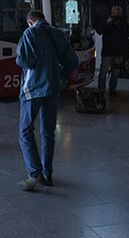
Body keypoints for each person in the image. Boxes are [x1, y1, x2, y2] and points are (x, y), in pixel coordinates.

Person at [16, 10, 79, 191]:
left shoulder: (30, 33)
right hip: (53, 87)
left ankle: (35, 173)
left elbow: (24, 61)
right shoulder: (58, 33)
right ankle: (48, 172)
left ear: (30, 21)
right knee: (48, 131)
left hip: (33, 88)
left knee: (25, 131)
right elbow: (72, 61)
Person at [97, 5, 129, 96]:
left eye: (117, 11)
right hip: (107, 51)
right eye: (114, 11)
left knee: (115, 72)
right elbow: (99, 31)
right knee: (103, 71)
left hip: (118, 51)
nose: (116, 13)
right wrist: (107, 24)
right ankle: (101, 89)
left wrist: (121, 26)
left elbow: (127, 33)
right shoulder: (107, 20)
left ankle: (112, 89)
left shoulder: (123, 22)